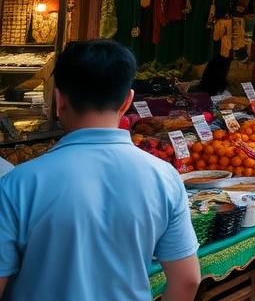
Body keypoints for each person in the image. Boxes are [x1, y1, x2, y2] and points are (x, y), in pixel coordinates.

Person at [0, 39, 201, 300]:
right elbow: (187, 280)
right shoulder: (164, 177)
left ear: (58, 99)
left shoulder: (19, 183)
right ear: (127, 101)